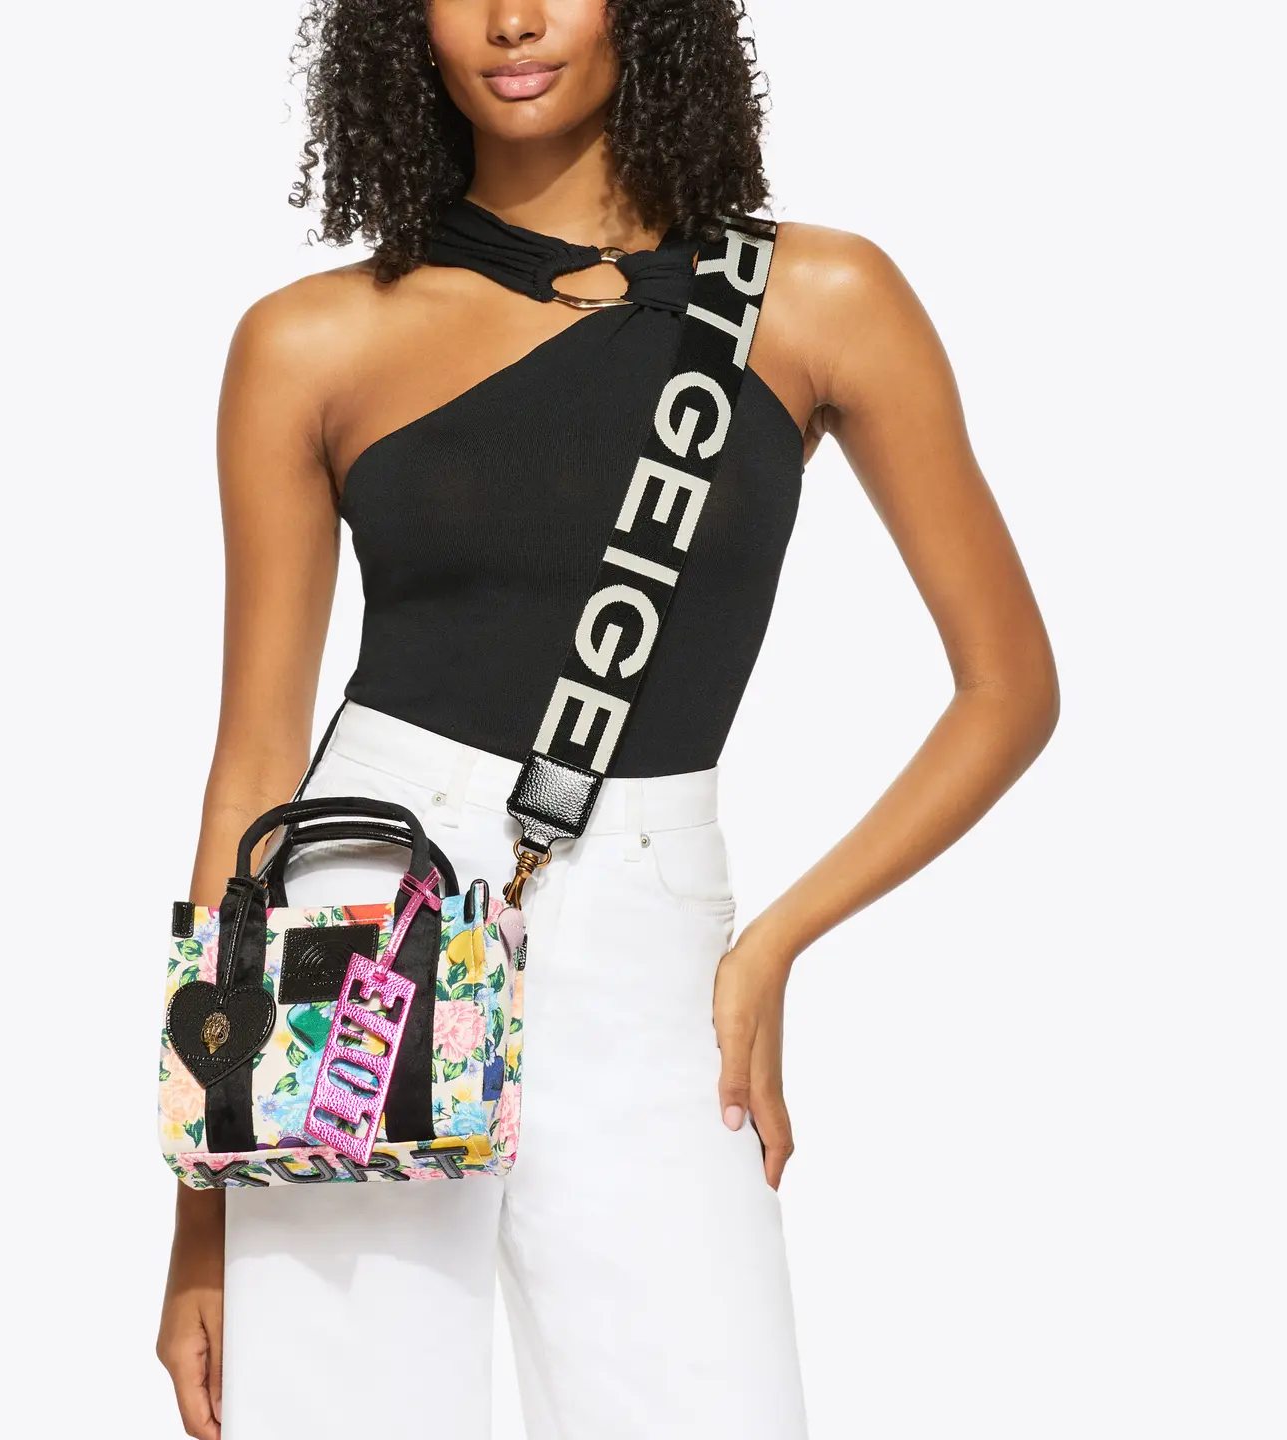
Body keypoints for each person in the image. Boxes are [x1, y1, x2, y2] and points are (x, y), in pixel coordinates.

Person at [155, 2, 1059, 1437]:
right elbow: (253, 767)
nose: (513, 18)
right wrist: (205, 1200)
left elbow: (1008, 687)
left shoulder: (817, 297)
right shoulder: (310, 339)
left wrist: (773, 943)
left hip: (654, 927)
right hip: (360, 921)